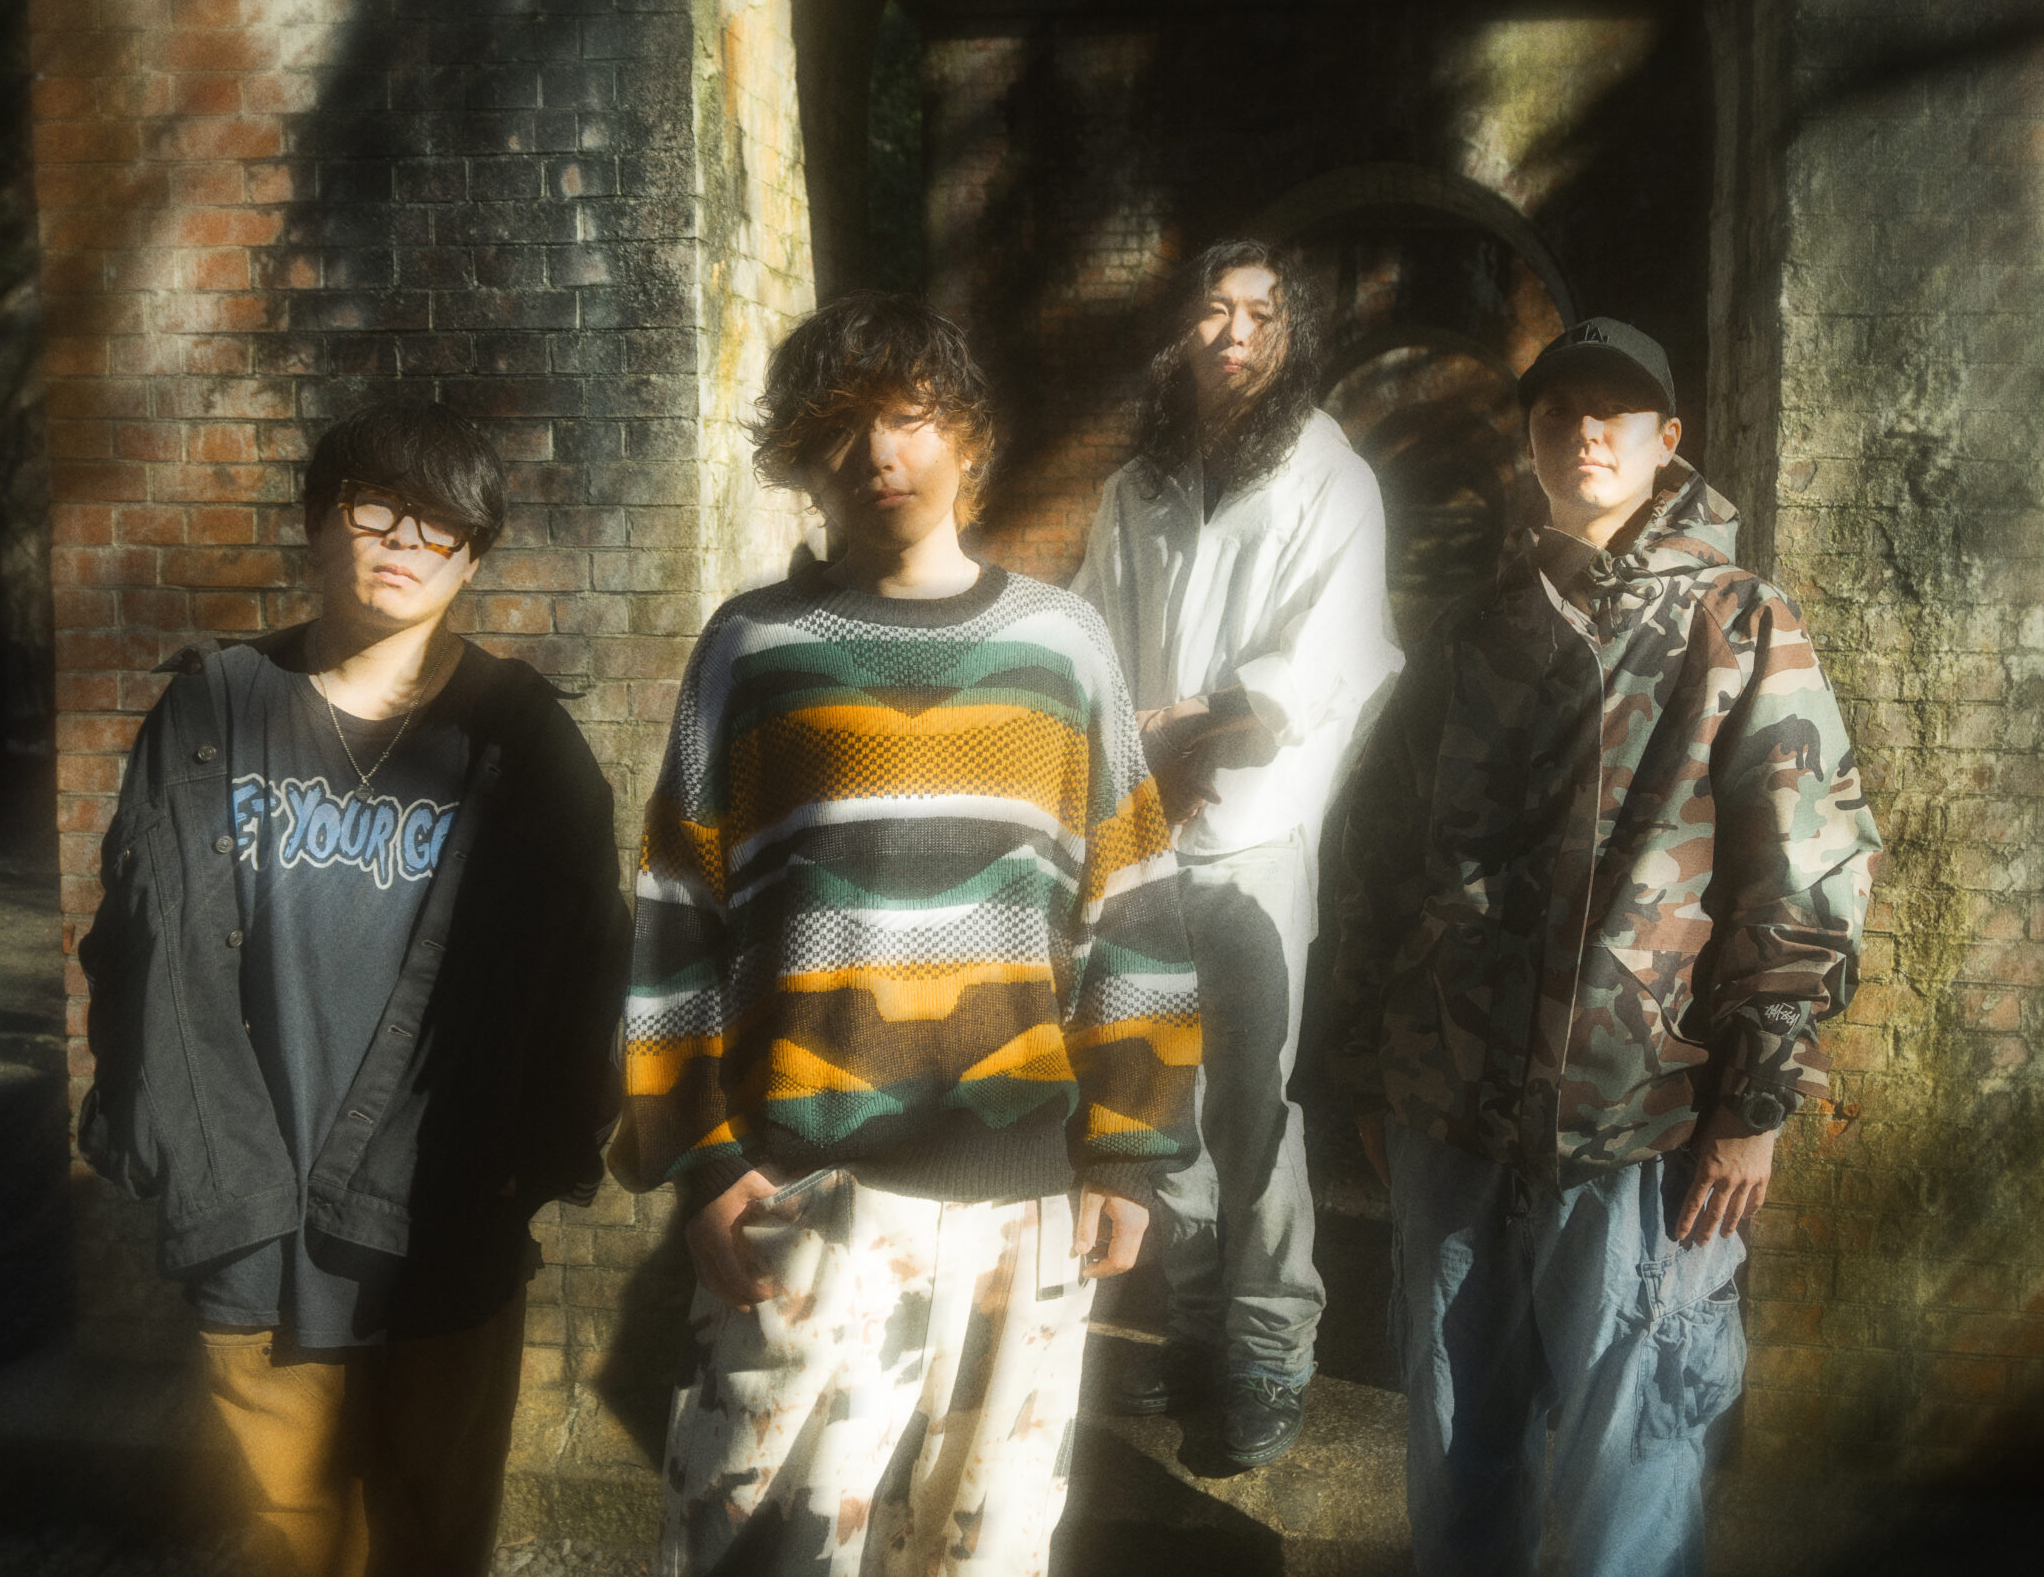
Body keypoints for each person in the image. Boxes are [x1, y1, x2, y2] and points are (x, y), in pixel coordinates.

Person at [610, 290, 1200, 1577]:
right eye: (840, 425)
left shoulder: (1061, 646)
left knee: (980, 1554)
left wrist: (1130, 1150)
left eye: (911, 418)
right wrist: (700, 1160)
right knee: (764, 1551)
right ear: (802, 456)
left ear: (969, 439)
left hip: (1024, 1203)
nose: (878, 452)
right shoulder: (753, 649)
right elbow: (676, 915)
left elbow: (1134, 902)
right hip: (809, 1196)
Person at [1330, 318, 1882, 1576]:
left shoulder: (1738, 625)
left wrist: (1751, 1104)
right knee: (1457, 1452)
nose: (1586, 430)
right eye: (1558, 410)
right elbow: (1376, 858)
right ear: (1528, 440)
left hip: (1641, 1113)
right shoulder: (1471, 632)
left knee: (1631, 1461)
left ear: (1664, 439)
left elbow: (1802, 873)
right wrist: (1365, 1067)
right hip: (1452, 1105)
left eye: (1615, 411)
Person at [76, 398, 631, 1577]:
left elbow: (589, 972)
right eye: (378, 508)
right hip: (251, 1214)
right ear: (319, 519)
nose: (405, 543)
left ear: (473, 557)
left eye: (442, 525)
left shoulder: (522, 740)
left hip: (443, 1213)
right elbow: (133, 951)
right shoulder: (213, 711)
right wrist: (176, 1148)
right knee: (285, 1542)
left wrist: (523, 1167)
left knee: (436, 1536)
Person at [1072, 239, 1400, 1467]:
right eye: (1212, 310)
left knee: (1253, 1098)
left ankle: (1269, 1343)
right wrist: (1118, 748)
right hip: (1143, 827)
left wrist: (1199, 720)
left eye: (1261, 313)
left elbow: (1332, 652)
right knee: (1157, 1081)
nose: (1233, 334)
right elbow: (1086, 636)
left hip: (1255, 828)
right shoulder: (1140, 485)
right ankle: (1197, 1316)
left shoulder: (1326, 476)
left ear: (1291, 335)